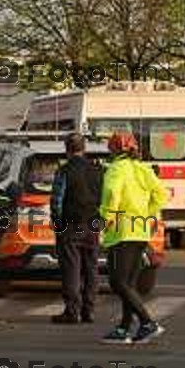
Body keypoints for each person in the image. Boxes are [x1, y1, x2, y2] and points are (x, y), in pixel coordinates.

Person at [100, 131, 167, 344]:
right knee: (128, 283)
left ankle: (148, 323)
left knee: (118, 282)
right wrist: (147, 214)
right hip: (140, 230)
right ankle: (124, 328)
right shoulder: (143, 168)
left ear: (114, 150)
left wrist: (107, 217)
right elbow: (161, 194)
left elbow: (111, 193)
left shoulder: (116, 169)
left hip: (121, 231)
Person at [50, 133, 103, 324]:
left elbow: (57, 200)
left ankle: (72, 311)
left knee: (71, 268)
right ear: (84, 148)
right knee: (91, 267)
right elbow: (103, 198)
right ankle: (89, 310)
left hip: (70, 225)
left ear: (66, 149)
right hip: (92, 224)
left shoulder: (64, 171)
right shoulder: (97, 170)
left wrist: (57, 222)